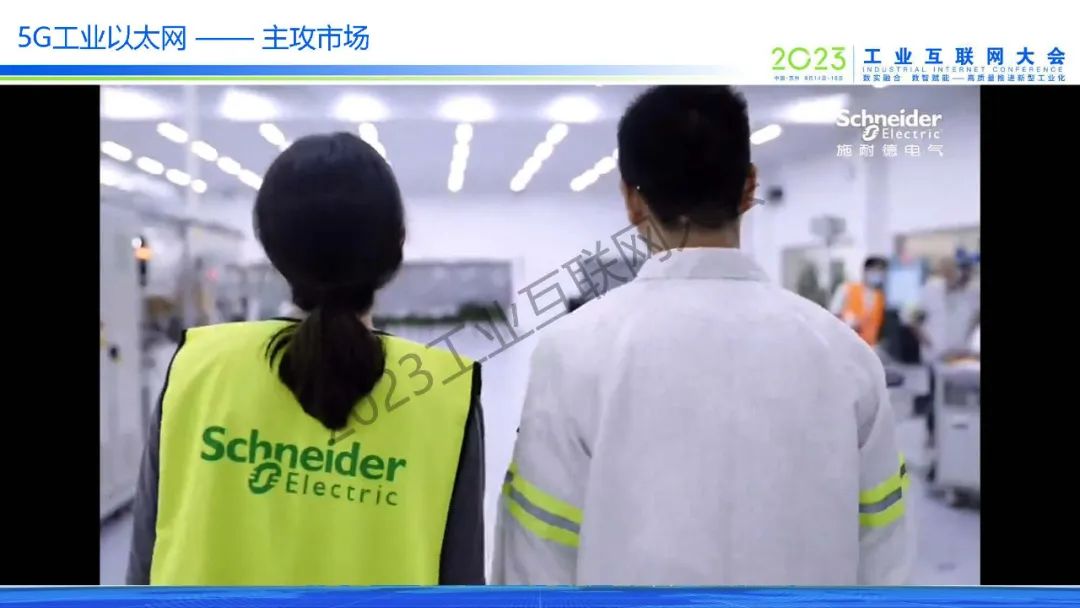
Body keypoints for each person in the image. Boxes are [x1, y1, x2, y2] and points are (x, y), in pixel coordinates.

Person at [492, 86, 912, 585]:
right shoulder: (847, 357)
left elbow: (538, 553)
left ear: (631, 200)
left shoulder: (571, 353)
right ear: (750, 187)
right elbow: (885, 553)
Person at [127, 133, 485, 586]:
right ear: (396, 243)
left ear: (271, 247)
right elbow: (463, 582)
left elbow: (144, 564)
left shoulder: (198, 370)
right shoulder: (444, 394)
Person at [909, 254, 980, 456]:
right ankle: (933, 439)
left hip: (960, 358)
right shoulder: (931, 291)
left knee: (961, 402)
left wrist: (969, 337)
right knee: (936, 398)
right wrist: (928, 343)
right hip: (936, 357)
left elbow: (976, 315)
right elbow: (913, 320)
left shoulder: (972, 293)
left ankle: (959, 441)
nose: (958, 280)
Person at [830, 256, 890, 346]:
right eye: (875, 271)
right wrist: (847, 323)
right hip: (846, 344)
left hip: (869, 348)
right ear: (865, 271)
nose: (878, 275)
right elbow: (832, 316)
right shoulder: (847, 289)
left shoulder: (881, 298)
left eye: (881, 272)